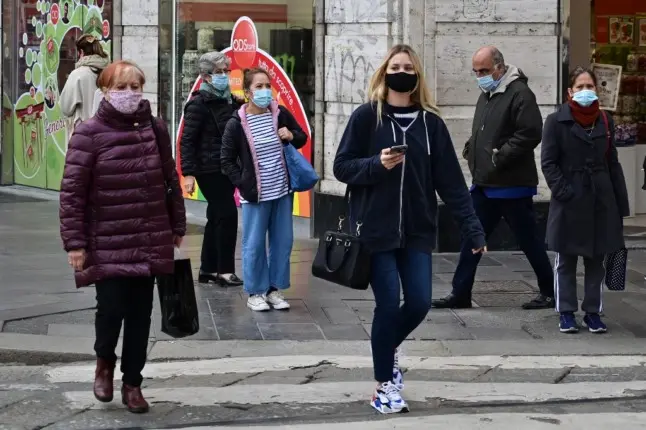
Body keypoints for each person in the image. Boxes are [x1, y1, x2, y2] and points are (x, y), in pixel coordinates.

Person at [333, 44, 485, 414]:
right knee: (387, 305)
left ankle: (386, 348)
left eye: (408, 67)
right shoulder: (367, 117)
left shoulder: (431, 125)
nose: (401, 72)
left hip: (417, 229)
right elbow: (341, 167)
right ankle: (384, 384)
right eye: (395, 67)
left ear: (417, 77)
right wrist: (376, 164)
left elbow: (451, 183)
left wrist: (472, 228)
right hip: (374, 230)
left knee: (418, 302)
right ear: (384, 73)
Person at [59, 60, 186, 413]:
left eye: (135, 87)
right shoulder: (88, 134)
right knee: (111, 308)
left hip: (148, 235)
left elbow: (169, 179)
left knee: (141, 314)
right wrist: (75, 243)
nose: (130, 93)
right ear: (105, 90)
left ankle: (133, 383)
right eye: (121, 87)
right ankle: (104, 364)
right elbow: (72, 194)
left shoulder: (155, 128)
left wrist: (177, 225)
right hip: (107, 238)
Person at [432, 46, 555, 311]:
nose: (480, 76)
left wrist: (500, 156)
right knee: (472, 237)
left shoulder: (520, 93)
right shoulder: (488, 93)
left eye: (484, 71)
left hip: (512, 186)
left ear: (499, 67)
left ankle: (550, 292)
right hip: (485, 183)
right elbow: (483, 130)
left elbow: (531, 132)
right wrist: (471, 148)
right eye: (476, 71)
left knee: (529, 241)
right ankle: (460, 293)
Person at [542, 66, 629, 334]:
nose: (585, 91)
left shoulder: (605, 120)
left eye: (589, 86)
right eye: (579, 87)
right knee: (566, 260)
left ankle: (593, 312)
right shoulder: (555, 121)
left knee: (596, 260)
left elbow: (612, 162)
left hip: (601, 199)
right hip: (569, 199)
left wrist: (620, 203)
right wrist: (564, 191)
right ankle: (566, 312)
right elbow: (548, 163)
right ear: (570, 92)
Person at [221, 68, 306, 312]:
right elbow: (226, 160)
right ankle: (255, 292)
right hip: (255, 195)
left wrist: (290, 135)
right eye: (258, 86)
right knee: (254, 244)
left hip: (282, 191)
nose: (265, 91)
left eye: (267, 85)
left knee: (282, 242)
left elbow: (302, 137)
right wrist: (243, 183)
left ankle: (274, 289)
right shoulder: (236, 123)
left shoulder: (280, 114)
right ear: (247, 92)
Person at [180, 51, 243, 287]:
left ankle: (207, 269)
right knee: (227, 214)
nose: (224, 75)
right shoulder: (198, 104)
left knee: (216, 216)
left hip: (226, 167)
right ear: (206, 76)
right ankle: (225, 271)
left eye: (226, 71)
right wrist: (188, 173)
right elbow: (187, 141)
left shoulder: (230, 101)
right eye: (218, 72)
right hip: (208, 168)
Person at [60, 34, 109, 127]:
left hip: (85, 130)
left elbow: (66, 108)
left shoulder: (77, 74)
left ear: (81, 52)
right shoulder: (111, 71)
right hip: (107, 129)